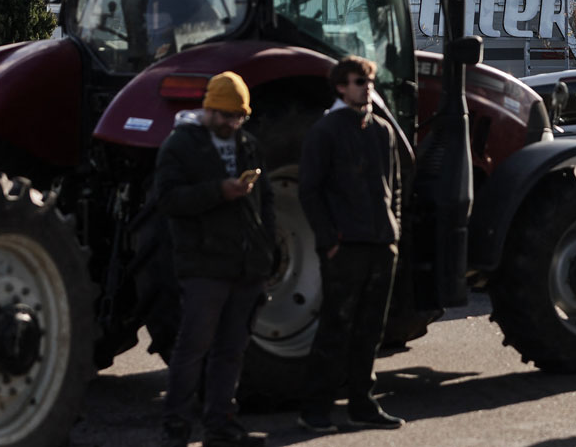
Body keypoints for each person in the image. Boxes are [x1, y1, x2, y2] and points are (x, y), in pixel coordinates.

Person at [155, 71, 275, 447]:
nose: (232, 123)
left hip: (245, 266)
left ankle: (221, 422)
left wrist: (267, 251)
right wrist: (218, 192)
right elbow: (169, 200)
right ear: (209, 109)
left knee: (231, 350)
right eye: (226, 116)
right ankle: (176, 426)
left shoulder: (248, 144)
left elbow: (266, 202)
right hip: (203, 266)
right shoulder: (179, 146)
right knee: (193, 349)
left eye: (239, 116)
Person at [296, 56, 403, 433]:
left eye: (371, 81)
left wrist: (394, 232)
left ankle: (363, 404)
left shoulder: (382, 131)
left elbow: (395, 188)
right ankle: (315, 408)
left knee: (371, 329)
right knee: (335, 328)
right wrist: (330, 240)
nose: (367, 87)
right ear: (341, 86)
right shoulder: (325, 131)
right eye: (360, 81)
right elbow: (309, 191)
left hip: (380, 244)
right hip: (346, 247)